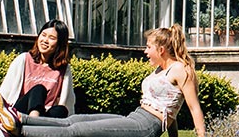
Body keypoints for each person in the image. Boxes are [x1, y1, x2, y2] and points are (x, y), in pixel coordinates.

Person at [12, 25, 205, 137]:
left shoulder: (181, 69)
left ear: (161, 50)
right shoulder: (161, 69)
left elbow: (193, 108)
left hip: (146, 126)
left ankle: (17, 131)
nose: (145, 52)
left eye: (148, 47)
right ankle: (19, 119)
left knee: (78, 131)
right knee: (75, 119)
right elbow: (171, 109)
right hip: (136, 117)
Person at [0, 20, 74, 119]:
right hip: (20, 112)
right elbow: (5, 92)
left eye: (51, 38)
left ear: (59, 44)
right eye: (43, 35)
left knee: (61, 110)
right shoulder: (23, 59)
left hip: (44, 114)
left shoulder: (63, 69)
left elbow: (68, 100)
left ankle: (37, 124)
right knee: (39, 89)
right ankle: (33, 121)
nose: (45, 40)